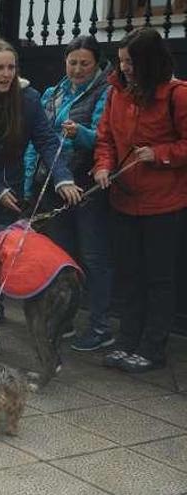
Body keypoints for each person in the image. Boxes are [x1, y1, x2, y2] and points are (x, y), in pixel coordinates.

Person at [0, 40, 81, 354]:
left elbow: (47, 140)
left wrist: (62, 177)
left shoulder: (29, 99)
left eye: (11, 67)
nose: (6, 74)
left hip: (7, 197)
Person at [94, 28, 187, 373]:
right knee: (129, 274)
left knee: (158, 278)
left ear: (148, 62)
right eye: (121, 62)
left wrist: (159, 154)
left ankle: (153, 347)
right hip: (123, 198)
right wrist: (103, 167)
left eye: (130, 62)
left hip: (163, 203)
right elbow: (105, 139)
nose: (124, 69)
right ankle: (127, 339)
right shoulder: (116, 92)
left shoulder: (177, 95)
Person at [22, 35, 113, 352]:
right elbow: (37, 140)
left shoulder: (106, 91)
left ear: (97, 63)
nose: (77, 69)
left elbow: (104, 138)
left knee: (92, 256)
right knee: (60, 258)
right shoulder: (52, 93)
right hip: (52, 185)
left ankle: (100, 325)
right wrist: (28, 181)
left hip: (85, 186)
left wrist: (81, 133)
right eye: (72, 62)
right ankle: (64, 320)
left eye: (84, 63)